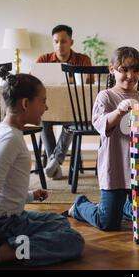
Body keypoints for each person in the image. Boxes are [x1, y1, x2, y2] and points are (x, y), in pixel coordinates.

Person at [0, 67, 84, 269]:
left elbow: (2, 188)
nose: (46, 107)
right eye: (43, 101)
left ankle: (3, 245)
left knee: (58, 221)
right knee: (73, 241)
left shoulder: (0, 129)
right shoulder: (10, 139)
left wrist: (30, 196)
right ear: (25, 104)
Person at [65, 46, 139, 231]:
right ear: (112, 69)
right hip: (116, 169)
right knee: (108, 223)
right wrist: (119, 111)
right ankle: (80, 205)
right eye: (124, 70)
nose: (130, 75)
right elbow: (100, 123)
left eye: (135, 70)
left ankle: (125, 207)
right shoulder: (106, 96)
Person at [37, 24, 92, 180]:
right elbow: (33, 85)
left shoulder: (83, 60)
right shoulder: (43, 60)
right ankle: (54, 164)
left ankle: (54, 161)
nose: (59, 45)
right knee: (43, 121)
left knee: (71, 121)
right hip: (49, 109)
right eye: (56, 42)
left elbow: (89, 89)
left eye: (63, 41)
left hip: (74, 110)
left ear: (71, 42)